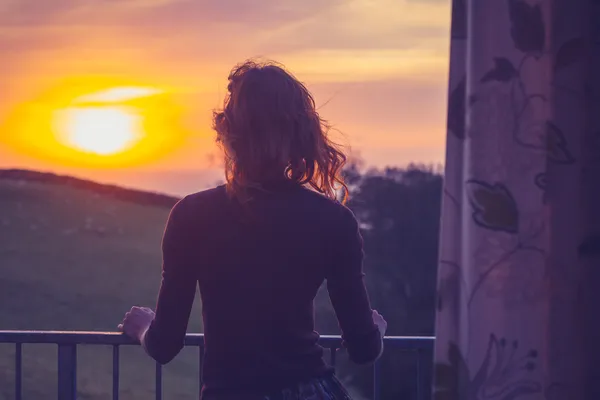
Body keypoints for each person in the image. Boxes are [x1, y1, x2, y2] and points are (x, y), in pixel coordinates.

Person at [118, 60, 388, 400]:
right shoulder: (334, 221)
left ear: (228, 134)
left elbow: (164, 345)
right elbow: (363, 350)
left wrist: (142, 326)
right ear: (302, 134)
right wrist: (377, 330)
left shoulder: (192, 215)